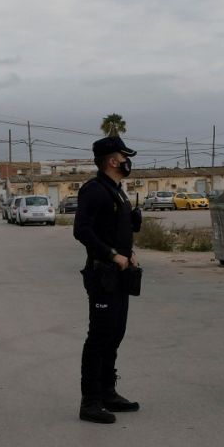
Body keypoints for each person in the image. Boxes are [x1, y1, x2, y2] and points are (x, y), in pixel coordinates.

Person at [73, 135, 144, 424]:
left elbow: (117, 229)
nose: (128, 161)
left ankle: (108, 392)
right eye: (125, 157)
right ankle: (90, 402)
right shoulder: (94, 190)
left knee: (115, 334)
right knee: (99, 337)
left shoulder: (117, 191)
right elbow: (82, 231)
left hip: (121, 274)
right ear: (113, 161)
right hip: (103, 273)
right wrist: (113, 255)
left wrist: (130, 253)